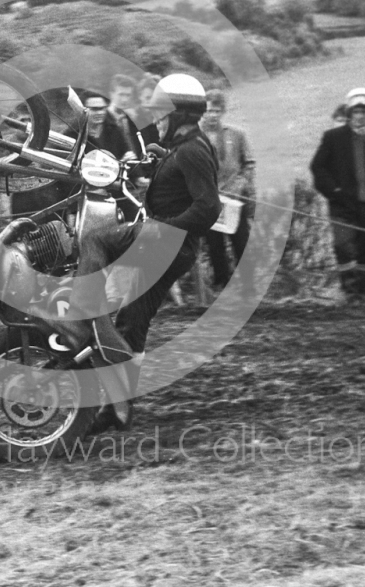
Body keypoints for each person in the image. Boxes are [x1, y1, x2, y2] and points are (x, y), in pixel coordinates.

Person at [52, 74, 221, 399]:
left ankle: (78, 321)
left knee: (95, 241)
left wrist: (168, 227)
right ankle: (120, 407)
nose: (154, 120)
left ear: (180, 114)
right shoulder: (185, 146)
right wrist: (159, 158)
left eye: (160, 113)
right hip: (177, 249)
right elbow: (179, 184)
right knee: (132, 321)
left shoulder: (191, 152)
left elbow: (209, 208)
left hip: (168, 242)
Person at [310, 88, 365, 298]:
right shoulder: (333, 137)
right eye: (356, 112)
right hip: (341, 204)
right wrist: (334, 192)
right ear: (350, 114)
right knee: (342, 245)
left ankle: (362, 293)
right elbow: (317, 167)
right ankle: (349, 291)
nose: (360, 116)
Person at [199, 89, 256, 294]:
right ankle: (221, 284)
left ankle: (246, 284)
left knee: (240, 240)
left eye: (216, 110)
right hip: (209, 201)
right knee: (215, 245)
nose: (211, 115)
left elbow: (248, 163)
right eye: (207, 110)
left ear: (222, 111)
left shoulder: (237, 134)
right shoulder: (194, 136)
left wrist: (241, 184)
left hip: (234, 199)